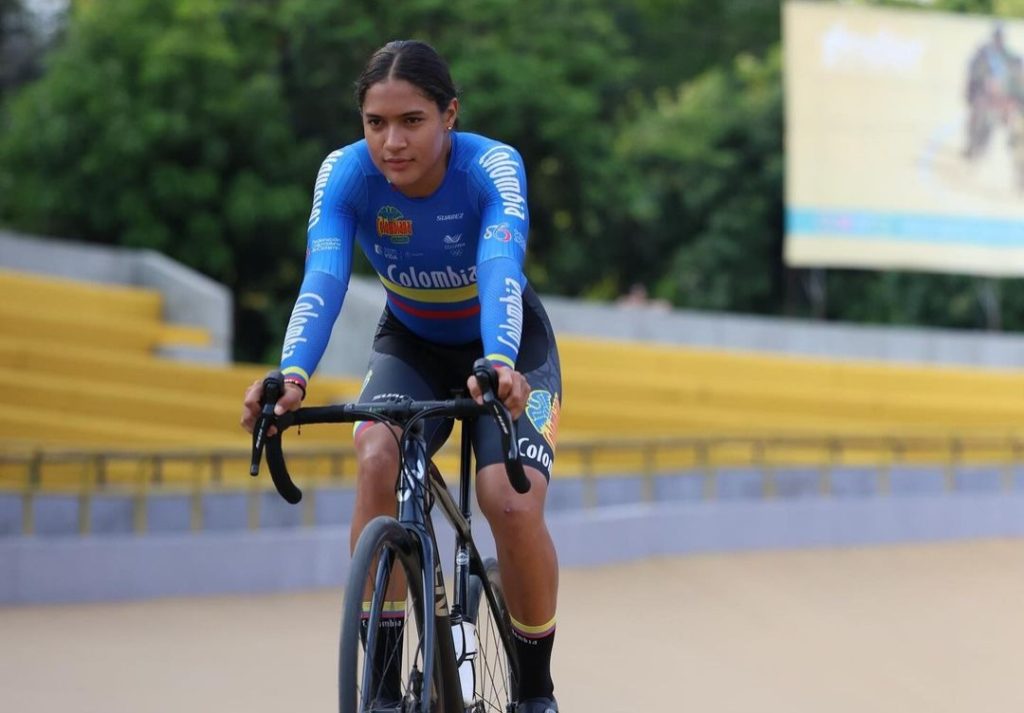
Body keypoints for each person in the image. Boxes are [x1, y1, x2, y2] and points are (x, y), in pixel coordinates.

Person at [240, 40, 561, 713]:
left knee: (508, 498)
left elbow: (502, 264)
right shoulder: (346, 175)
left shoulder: (492, 167)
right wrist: (291, 373)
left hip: (508, 343)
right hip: (411, 342)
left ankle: (536, 689)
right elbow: (323, 277)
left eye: (412, 120)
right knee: (374, 450)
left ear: (450, 115)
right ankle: (382, 681)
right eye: (375, 123)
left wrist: (500, 361)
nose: (391, 142)